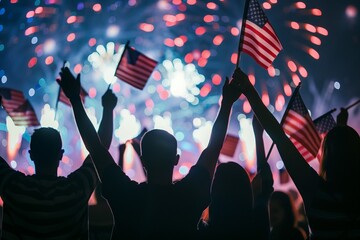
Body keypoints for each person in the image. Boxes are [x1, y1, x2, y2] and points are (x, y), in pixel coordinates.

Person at [58, 65, 242, 238]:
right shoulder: (190, 194)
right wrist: (226, 104)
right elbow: (214, 147)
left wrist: (75, 99)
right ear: (176, 159)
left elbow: (95, 147)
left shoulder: (126, 195)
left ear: (143, 160)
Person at [233, 67, 360, 240]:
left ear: (327, 157)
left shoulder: (317, 192)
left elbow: (280, 137)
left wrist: (249, 90)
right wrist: (343, 131)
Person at [0, 88, 116, 239]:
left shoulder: (13, 187)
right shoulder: (76, 189)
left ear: (31, 155)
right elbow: (99, 149)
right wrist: (107, 109)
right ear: (61, 155)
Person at [197, 115, 273, 239]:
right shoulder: (256, 226)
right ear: (245, 189)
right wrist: (258, 135)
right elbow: (265, 185)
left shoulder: (203, 231)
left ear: (214, 191)